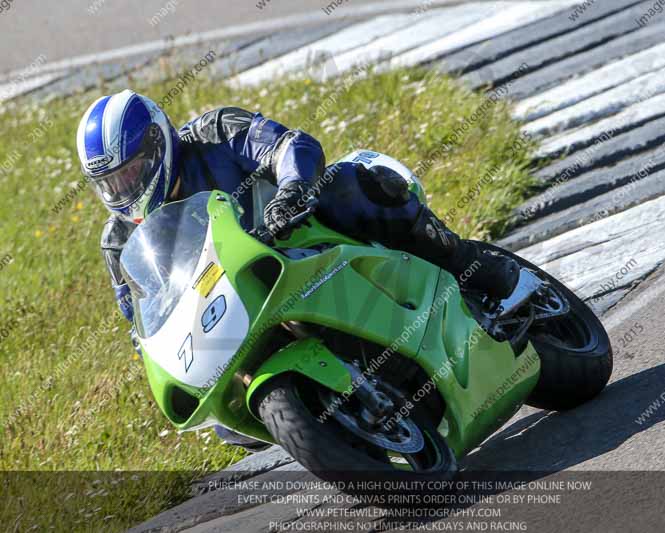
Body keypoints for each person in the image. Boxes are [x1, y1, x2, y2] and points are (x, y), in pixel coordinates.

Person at [76, 89, 537, 451]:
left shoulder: (215, 133)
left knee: (349, 184)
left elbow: (287, 145)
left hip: (302, 236)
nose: (126, 188)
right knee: (231, 427)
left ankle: (473, 267)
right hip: (237, 302)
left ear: (157, 142)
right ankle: (341, 422)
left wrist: (291, 191)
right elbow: (141, 324)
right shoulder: (119, 241)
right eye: (112, 182)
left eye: (132, 172)